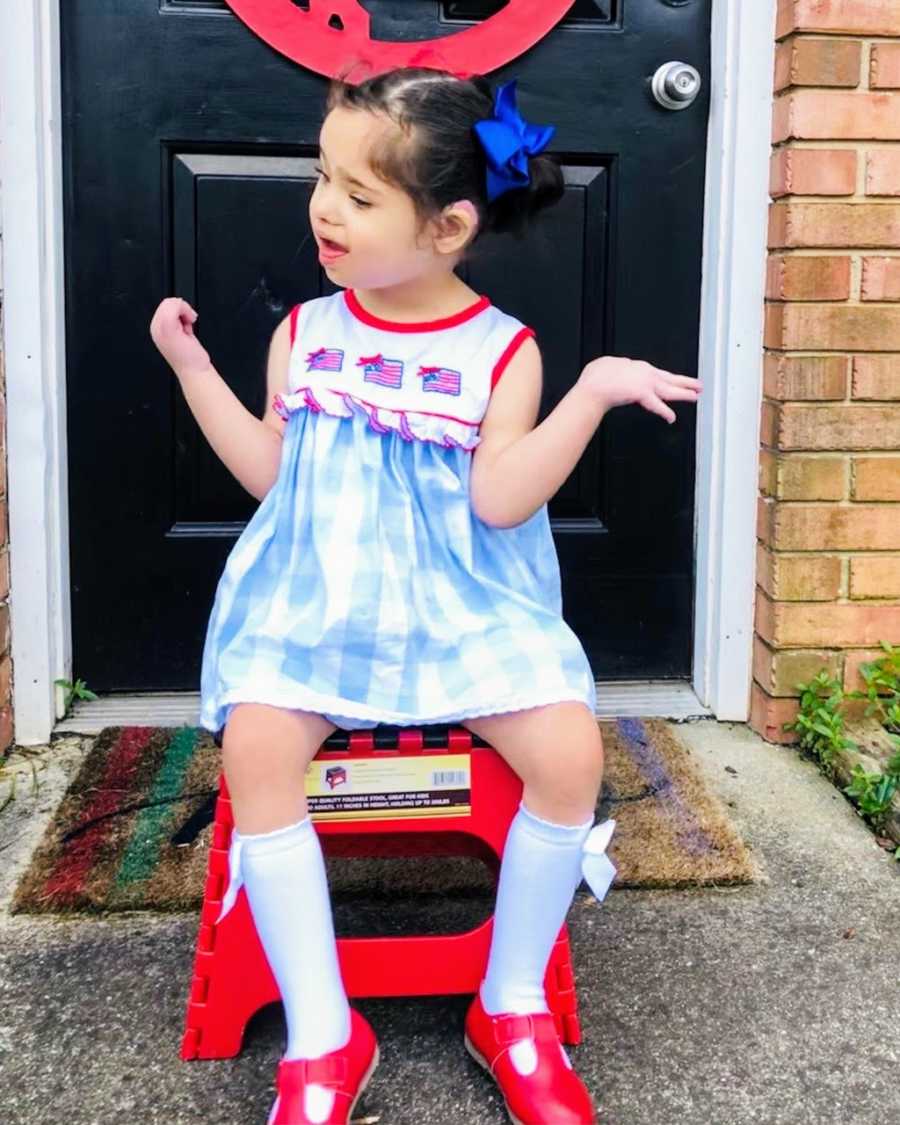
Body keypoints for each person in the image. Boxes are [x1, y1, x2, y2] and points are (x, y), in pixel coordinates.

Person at [150, 65, 702, 1125]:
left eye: (359, 196)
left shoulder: (503, 354)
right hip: (321, 604)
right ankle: (323, 1034)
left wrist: (589, 394)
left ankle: (510, 1004)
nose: (323, 208)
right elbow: (276, 476)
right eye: (323, 178)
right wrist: (192, 372)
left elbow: (499, 502)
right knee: (259, 747)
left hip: (459, 608)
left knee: (569, 750)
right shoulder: (306, 336)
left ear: (449, 226)